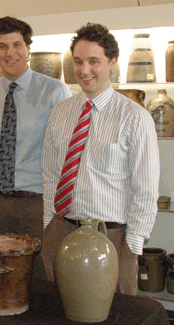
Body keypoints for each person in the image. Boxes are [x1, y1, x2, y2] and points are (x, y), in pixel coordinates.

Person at [41, 23, 159, 295]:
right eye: (78, 61)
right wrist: (49, 223)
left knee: (115, 314)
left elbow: (146, 188)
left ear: (112, 63)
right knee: (60, 309)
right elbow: (50, 173)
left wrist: (133, 245)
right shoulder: (60, 112)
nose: (84, 70)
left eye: (94, 61)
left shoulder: (135, 117)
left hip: (112, 236)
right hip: (62, 229)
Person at [0, 16, 71, 278]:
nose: (10, 53)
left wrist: (59, 209)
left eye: (17, 44)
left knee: (42, 278)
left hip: (38, 204)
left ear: (28, 48)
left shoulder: (54, 91)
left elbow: (66, 155)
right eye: (2, 46)